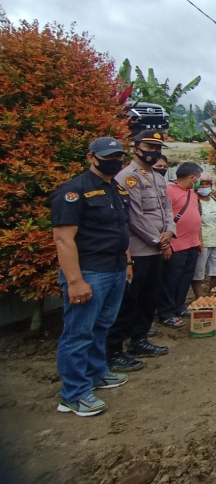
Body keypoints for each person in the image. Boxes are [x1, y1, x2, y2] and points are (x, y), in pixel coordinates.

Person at [51, 137, 131, 416]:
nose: (116, 160)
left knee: (101, 326)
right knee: (78, 333)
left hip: (115, 268)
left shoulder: (116, 189)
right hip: (89, 271)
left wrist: (127, 262)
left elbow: (122, 229)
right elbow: (63, 239)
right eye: (109, 155)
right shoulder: (73, 191)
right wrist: (74, 280)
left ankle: (97, 372)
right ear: (91, 157)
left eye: (119, 155)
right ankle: (73, 393)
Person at [107, 130, 174, 373]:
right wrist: (158, 239)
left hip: (158, 248)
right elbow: (134, 217)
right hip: (138, 250)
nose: (154, 151)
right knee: (130, 301)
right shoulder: (127, 177)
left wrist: (169, 231)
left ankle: (140, 340)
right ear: (136, 147)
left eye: (157, 147)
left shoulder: (157, 177)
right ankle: (115, 351)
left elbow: (166, 207)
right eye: (149, 146)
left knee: (149, 298)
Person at [158, 162, 203, 329]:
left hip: (192, 244)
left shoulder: (192, 193)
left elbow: (196, 217)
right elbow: (163, 219)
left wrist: (199, 241)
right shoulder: (169, 191)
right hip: (176, 245)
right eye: (198, 178)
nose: (198, 181)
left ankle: (179, 306)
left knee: (185, 278)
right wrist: (166, 245)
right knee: (171, 280)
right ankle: (166, 313)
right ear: (191, 177)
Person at [192, 172, 216, 298]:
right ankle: (198, 296)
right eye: (202, 184)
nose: (204, 187)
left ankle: (211, 292)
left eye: (207, 184)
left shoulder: (213, 200)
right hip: (203, 242)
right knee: (198, 272)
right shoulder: (194, 201)